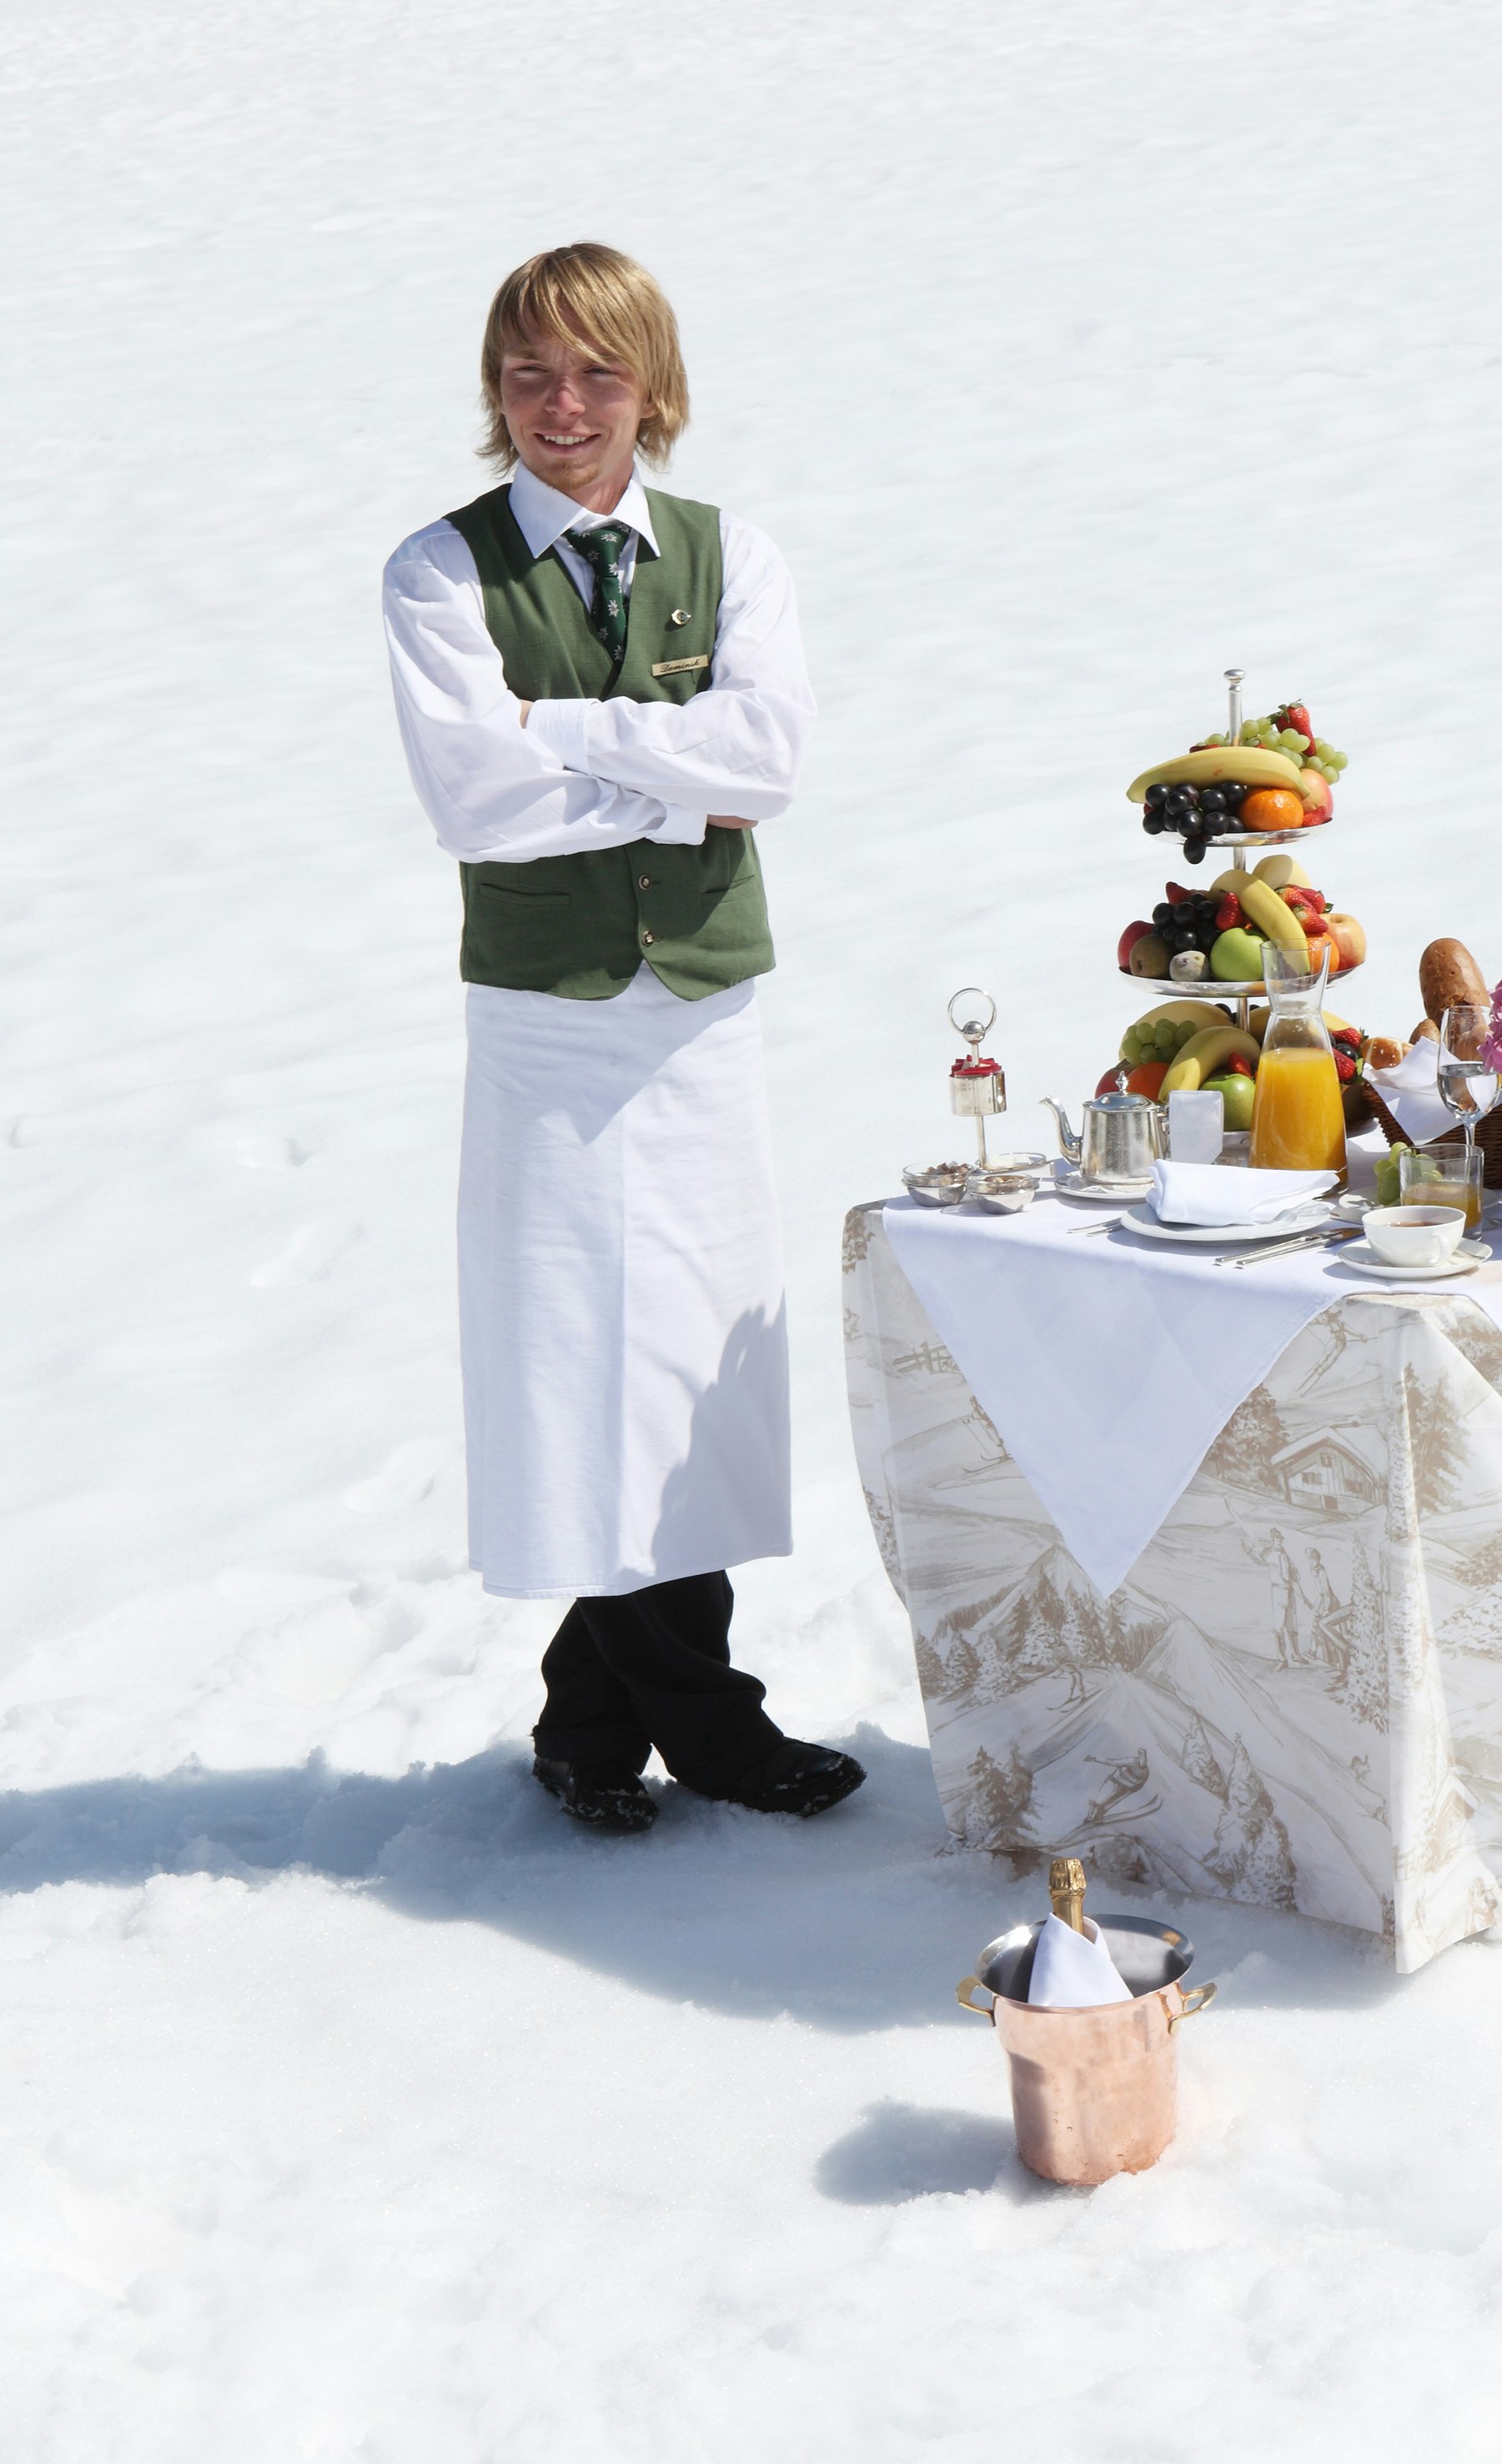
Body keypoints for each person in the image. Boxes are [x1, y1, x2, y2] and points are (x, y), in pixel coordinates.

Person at [382, 242, 862, 1836]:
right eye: (528, 375)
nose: (560, 406)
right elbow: (473, 803)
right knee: (578, 1358)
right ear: (493, 392)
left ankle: (592, 1722)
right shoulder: (440, 575)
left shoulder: (732, 555)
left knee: (699, 1361)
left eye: (594, 374)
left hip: (700, 1014)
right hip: (547, 1029)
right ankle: (705, 1726)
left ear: (653, 388)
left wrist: (567, 733)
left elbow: (770, 760)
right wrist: (673, 764)